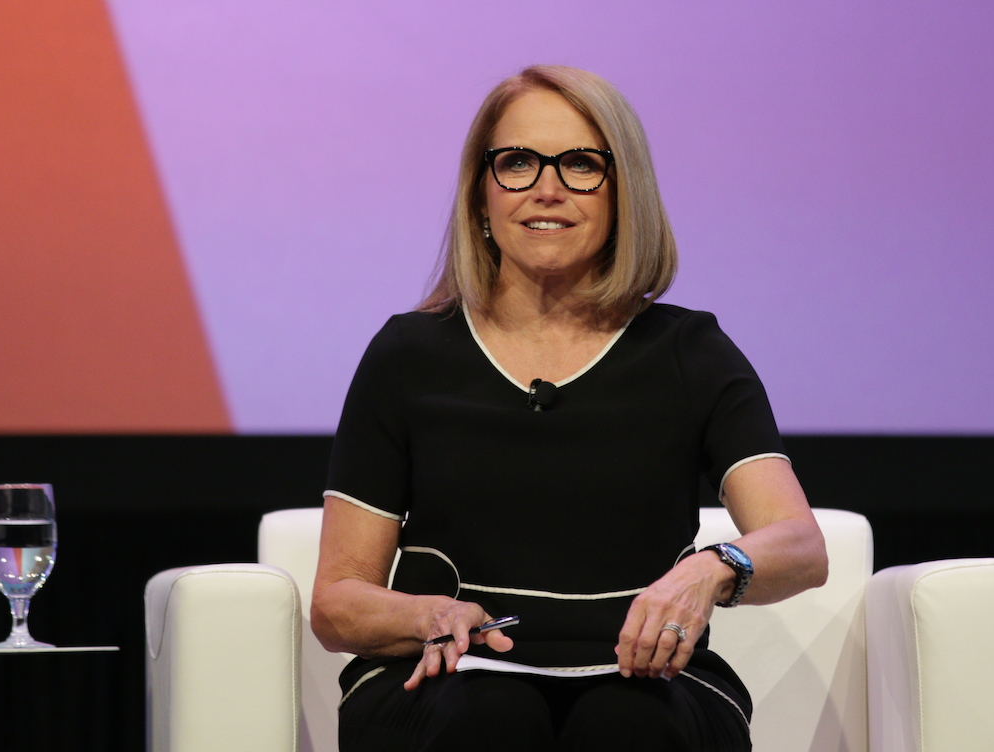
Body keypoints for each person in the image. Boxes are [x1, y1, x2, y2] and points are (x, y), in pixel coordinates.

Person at [311, 66, 828, 751]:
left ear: (623, 193)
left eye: (581, 164)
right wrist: (426, 615)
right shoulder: (408, 355)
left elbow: (800, 545)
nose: (546, 188)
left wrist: (710, 570)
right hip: (447, 681)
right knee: (492, 715)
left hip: (647, 684)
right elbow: (337, 602)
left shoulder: (689, 353)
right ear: (481, 193)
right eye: (517, 163)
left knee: (627, 724)